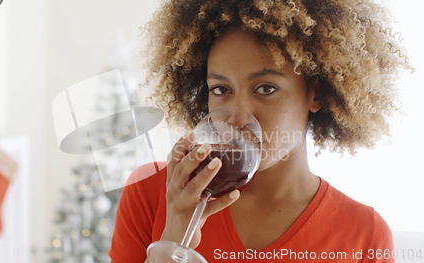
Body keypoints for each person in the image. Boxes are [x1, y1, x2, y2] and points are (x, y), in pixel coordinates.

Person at [109, 0, 411, 262]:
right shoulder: (149, 192)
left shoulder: (363, 235)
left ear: (316, 94)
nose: (236, 118)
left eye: (266, 88)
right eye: (220, 89)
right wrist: (174, 235)